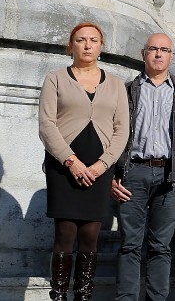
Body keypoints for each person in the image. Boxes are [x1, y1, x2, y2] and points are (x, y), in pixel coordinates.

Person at [39, 22, 130, 301]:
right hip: (63, 166)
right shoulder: (55, 78)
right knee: (65, 233)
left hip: (100, 167)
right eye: (81, 40)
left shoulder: (115, 84)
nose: (87, 45)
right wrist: (71, 161)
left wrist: (102, 165)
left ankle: (83, 296)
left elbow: (121, 129)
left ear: (101, 46)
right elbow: (46, 124)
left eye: (93, 40)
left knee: (91, 235)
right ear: (71, 45)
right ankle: (59, 296)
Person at [112, 33, 175, 301]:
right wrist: (112, 177)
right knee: (129, 244)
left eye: (164, 50)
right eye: (153, 49)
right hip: (133, 172)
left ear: (172, 56)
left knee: (161, 246)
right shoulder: (126, 90)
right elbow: (112, 135)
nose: (158, 54)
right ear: (143, 53)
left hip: (169, 175)